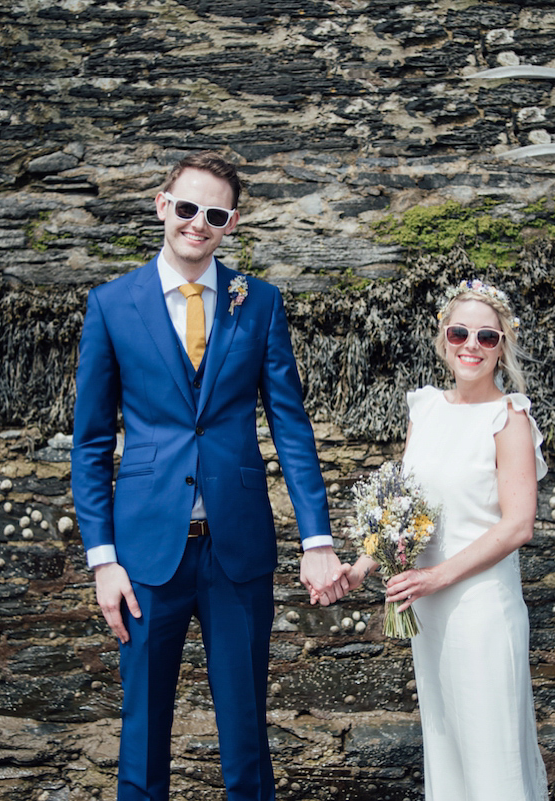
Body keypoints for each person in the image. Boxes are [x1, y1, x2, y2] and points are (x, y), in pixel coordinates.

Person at [71, 151, 348, 801]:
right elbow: (89, 445)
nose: (199, 222)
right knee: (141, 741)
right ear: (162, 204)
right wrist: (102, 559)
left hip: (237, 552)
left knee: (247, 742)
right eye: (188, 207)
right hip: (144, 555)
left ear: (232, 223)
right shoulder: (111, 306)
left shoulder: (261, 303)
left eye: (215, 213)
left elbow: (291, 427)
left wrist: (318, 540)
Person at [344, 279, 549, 800]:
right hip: (429, 614)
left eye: (487, 336)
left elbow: (518, 524)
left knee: (491, 754)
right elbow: (404, 508)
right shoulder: (426, 409)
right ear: (443, 338)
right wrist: (362, 565)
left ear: (502, 345)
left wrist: (437, 575)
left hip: (480, 609)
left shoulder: (510, 419)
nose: (471, 346)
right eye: (460, 332)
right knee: (448, 747)